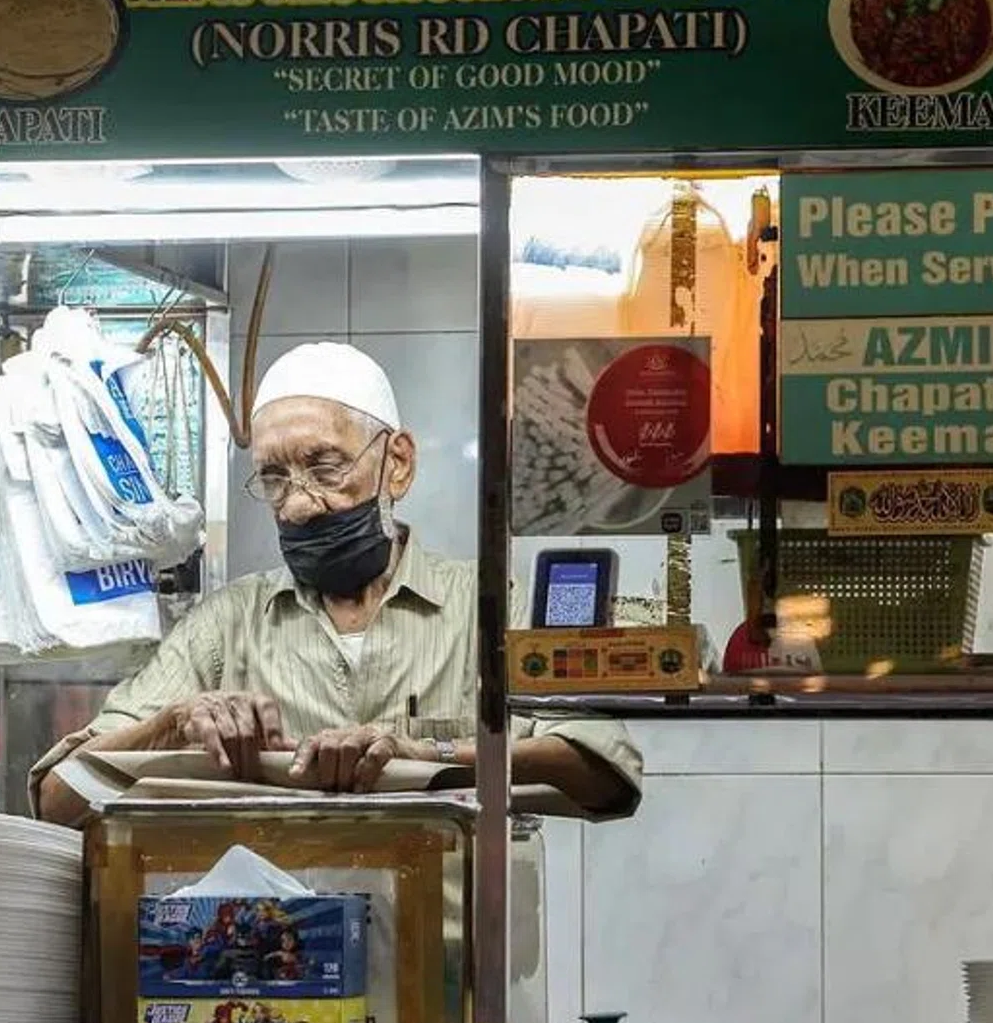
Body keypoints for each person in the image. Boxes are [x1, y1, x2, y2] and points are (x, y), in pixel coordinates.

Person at [32, 342, 642, 827]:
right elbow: (58, 800)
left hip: (455, 961)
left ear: (396, 462)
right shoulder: (228, 625)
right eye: (273, 477)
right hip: (267, 964)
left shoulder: (487, 610)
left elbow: (603, 769)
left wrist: (430, 757)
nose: (298, 505)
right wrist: (173, 722)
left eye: (325, 467)